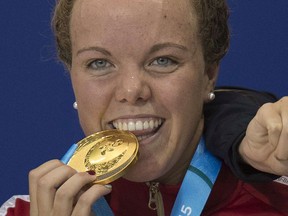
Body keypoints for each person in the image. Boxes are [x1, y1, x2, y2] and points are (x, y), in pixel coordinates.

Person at [1, 0, 287, 215]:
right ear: (72, 76)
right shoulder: (20, 212)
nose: (131, 91)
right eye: (99, 63)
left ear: (208, 75)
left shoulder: (278, 197)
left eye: (163, 60)